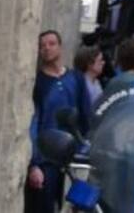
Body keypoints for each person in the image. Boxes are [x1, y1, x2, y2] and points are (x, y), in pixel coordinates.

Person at [26, 30, 90, 213]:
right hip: (46, 160)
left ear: (60, 47)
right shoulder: (38, 82)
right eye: (42, 45)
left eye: (51, 43)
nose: (46, 48)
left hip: (72, 160)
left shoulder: (76, 78)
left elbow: (85, 118)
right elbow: (33, 122)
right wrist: (34, 164)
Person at [74, 44, 106, 110]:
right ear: (90, 64)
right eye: (100, 60)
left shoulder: (96, 82)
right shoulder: (83, 86)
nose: (103, 62)